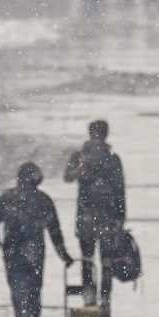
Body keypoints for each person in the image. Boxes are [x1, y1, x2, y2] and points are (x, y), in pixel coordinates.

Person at [0, 162, 72, 317]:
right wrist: (64, 255)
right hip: (34, 252)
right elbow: (54, 231)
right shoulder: (44, 200)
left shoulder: (7, 198)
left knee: (17, 288)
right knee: (34, 288)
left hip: (12, 250)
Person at [62, 118, 127, 276]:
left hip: (86, 215)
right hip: (108, 216)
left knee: (87, 259)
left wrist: (78, 170)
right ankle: (104, 298)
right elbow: (120, 190)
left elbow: (67, 177)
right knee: (106, 261)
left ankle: (89, 295)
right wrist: (121, 217)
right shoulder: (113, 159)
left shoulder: (80, 156)